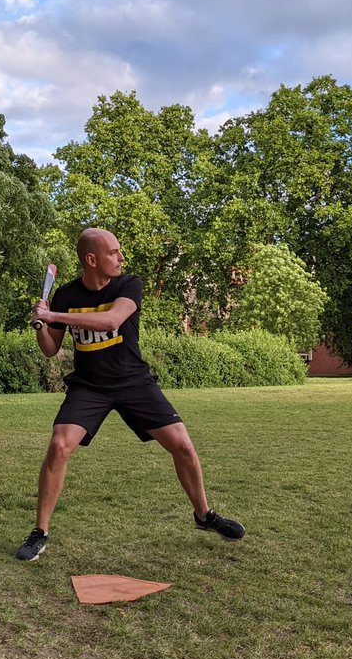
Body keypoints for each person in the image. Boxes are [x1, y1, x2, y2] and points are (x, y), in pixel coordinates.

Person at [15, 228, 244, 561]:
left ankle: (204, 515)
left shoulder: (128, 285)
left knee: (182, 445)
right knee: (59, 446)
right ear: (92, 259)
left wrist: (53, 315)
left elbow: (112, 320)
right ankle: (40, 532)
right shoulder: (66, 295)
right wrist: (40, 323)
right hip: (89, 386)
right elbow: (51, 349)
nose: (121, 258)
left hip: (133, 382)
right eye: (113, 252)